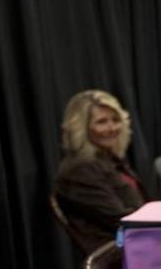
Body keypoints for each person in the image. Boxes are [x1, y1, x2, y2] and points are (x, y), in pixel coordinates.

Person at [54, 90, 147, 254]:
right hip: (121, 259)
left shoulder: (107, 159)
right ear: (81, 128)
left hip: (138, 245)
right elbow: (121, 220)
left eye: (116, 120)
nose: (112, 128)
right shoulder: (80, 170)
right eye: (102, 122)